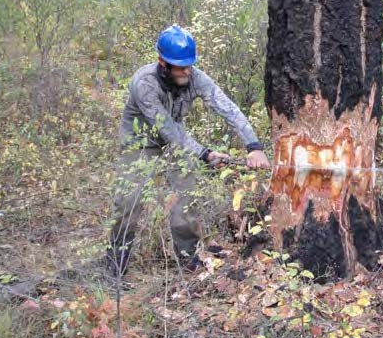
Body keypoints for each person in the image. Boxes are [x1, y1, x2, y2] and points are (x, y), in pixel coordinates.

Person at [107, 25, 270, 276]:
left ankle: (187, 257)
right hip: (141, 143)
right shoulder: (145, 83)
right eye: (179, 66)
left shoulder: (195, 77)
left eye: (189, 65)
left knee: (186, 194)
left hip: (176, 143)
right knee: (129, 200)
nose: (186, 71)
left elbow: (226, 108)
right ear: (162, 62)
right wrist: (204, 153)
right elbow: (167, 129)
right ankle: (116, 263)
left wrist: (254, 146)